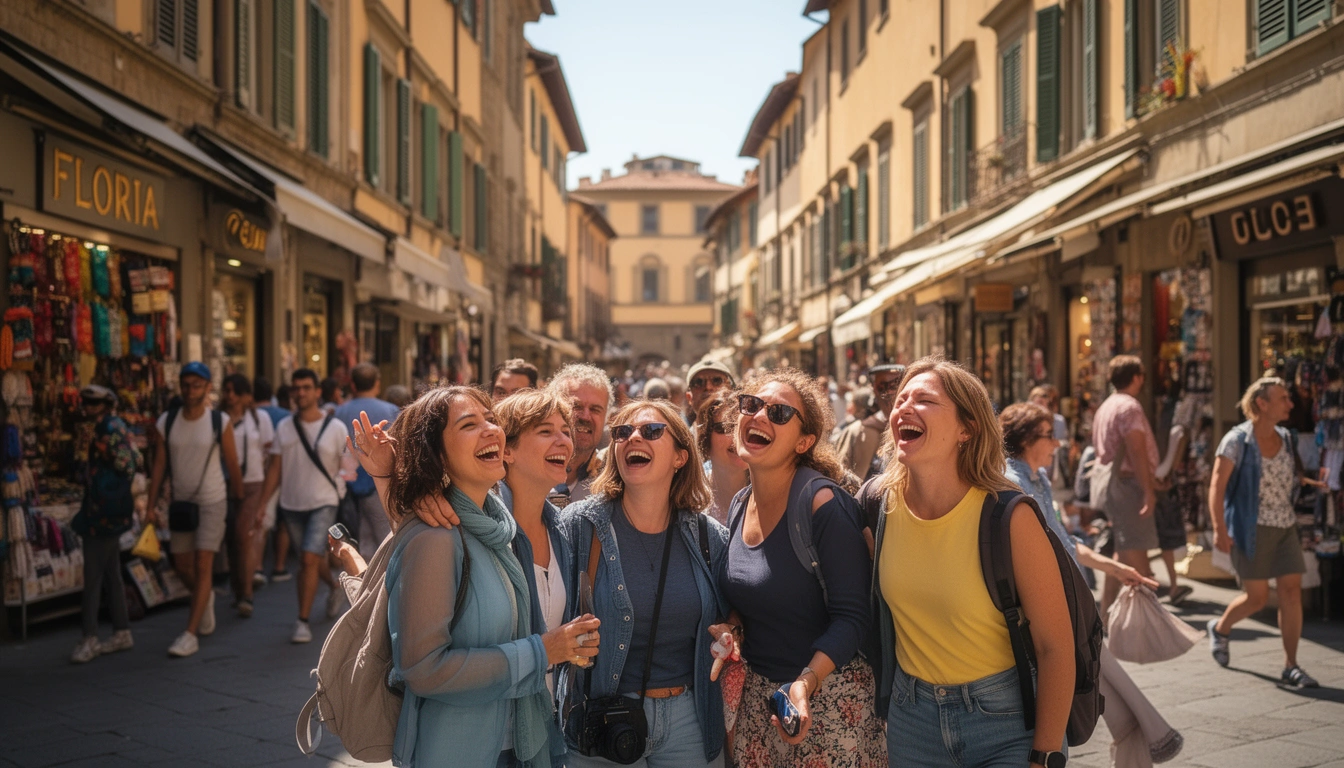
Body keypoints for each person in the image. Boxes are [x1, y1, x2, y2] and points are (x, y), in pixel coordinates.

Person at [350, 386, 599, 767]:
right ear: (438, 454)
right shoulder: (435, 536)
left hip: (522, 743)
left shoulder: (498, 528)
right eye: (469, 425)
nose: (490, 431)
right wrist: (544, 651)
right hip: (461, 751)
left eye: (491, 421)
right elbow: (422, 669)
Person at [871, 357, 1074, 768]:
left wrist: (1044, 754)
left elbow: (1056, 647)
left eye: (924, 399)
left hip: (1005, 721)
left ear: (968, 428)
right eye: (901, 398)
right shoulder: (877, 504)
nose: (904, 407)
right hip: (912, 722)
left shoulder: (1010, 516)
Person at [711, 369, 883, 767]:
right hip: (762, 706)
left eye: (779, 413)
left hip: (829, 704)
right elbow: (753, 598)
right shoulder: (740, 504)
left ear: (804, 441)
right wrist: (732, 628)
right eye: (751, 405)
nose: (759, 416)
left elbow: (853, 618)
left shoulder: (823, 505)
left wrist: (805, 682)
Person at [1001, 402, 1185, 765]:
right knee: (1114, 693)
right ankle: (1158, 732)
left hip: (1071, 604)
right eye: (1049, 436)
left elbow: (1066, 543)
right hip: (1056, 609)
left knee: (1123, 716)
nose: (1057, 444)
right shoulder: (1014, 482)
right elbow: (1043, 552)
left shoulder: (1036, 479)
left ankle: (1156, 731)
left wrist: (1116, 569)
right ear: (1023, 439)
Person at [559, 398, 729, 767]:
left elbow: (735, 611)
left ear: (680, 457)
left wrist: (732, 630)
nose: (633, 438)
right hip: (601, 722)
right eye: (622, 432)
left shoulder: (708, 536)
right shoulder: (580, 526)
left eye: (651, 431)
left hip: (689, 720)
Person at [1207, 378, 1325, 688]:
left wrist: (1313, 484)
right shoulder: (1236, 441)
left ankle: (1291, 665)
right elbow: (1217, 488)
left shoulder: (1287, 438)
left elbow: (1287, 477)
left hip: (1285, 526)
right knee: (1257, 598)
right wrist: (1219, 529)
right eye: (1283, 398)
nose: (1290, 403)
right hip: (1250, 528)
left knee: (1290, 592)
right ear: (1262, 403)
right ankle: (1220, 629)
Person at [146, 362, 244, 658]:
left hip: (212, 501)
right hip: (181, 504)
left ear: (207, 387)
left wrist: (239, 502)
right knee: (182, 565)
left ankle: (189, 634)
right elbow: (159, 466)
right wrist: (150, 506)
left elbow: (232, 463)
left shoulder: (219, 421)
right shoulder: (167, 421)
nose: (190, 390)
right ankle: (206, 597)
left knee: (204, 565)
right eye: (186, 385)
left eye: (197, 385)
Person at [259, 368, 350, 644]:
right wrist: (262, 504)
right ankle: (334, 585)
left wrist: (340, 487)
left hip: (323, 501)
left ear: (317, 392)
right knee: (310, 558)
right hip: (292, 504)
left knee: (309, 559)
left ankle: (302, 621)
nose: (300, 393)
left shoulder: (336, 427)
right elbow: (275, 467)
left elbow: (347, 465)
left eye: (306, 387)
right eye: (296, 388)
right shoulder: (284, 426)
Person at [70, 385, 140, 664]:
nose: (86, 407)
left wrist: (107, 453)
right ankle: (122, 630)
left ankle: (89, 637)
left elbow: (128, 463)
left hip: (102, 512)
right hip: (107, 511)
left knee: (94, 576)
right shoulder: (112, 425)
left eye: (91, 403)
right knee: (111, 573)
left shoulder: (109, 428)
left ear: (103, 405)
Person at [1092, 355, 1161, 617]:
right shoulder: (1129, 406)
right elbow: (1136, 449)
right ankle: (1150, 624)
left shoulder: (1107, 405)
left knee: (1122, 554)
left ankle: (1106, 616)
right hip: (1127, 485)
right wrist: (1148, 490)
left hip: (1111, 486)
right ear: (1136, 378)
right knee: (1138, 559)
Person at [333, 363, 400, 557]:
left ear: (352, 385)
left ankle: (366, 579)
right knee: (385, 534)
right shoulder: (392, 410)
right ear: (377, 384)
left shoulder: (340, 412)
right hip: (382, 481)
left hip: (349, 482)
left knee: (364, 535)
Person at [221, 374, 275, 617]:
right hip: (224, 483)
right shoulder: (219, 419)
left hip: (253, 482)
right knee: (230, 538)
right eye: (227, 390)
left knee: (243, 535)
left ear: (246, 396)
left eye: (235, 391)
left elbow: (268, 449)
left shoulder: (258, 417)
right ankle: (237, 588)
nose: (230, 396)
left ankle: (246, 593)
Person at [547, 363, 612, 507]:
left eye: (595, 409)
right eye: (575, 406)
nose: (586, 417)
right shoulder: (522, 471)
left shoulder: (612, 480)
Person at [836, 363, 905, 482]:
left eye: (894, 385)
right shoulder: (858, 431)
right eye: (881, 386)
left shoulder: (914, 427)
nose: (888, 393)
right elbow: (840, 476)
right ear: (874, 390)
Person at [255, 376, 292, 585]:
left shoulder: (253, 416)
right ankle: (279, 566)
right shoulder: (287, 418)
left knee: (262, 521)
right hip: (287, 474)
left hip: (263, 475)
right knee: (284, 522)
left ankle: (258, 567)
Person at [697, 393, 748, 526]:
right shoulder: (691, 499)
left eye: (743, 426)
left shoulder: (770, 495)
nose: (737, 436)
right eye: (726, 428)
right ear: (706, 440)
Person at [686, 361, 735, 428]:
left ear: (730, 391)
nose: (708, 387)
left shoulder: (743, 436)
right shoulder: (682, 438)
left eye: (717, 380)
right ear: (689, 397)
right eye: (698, 382)